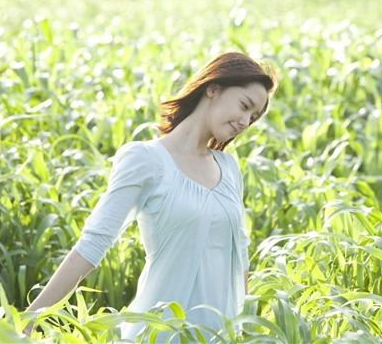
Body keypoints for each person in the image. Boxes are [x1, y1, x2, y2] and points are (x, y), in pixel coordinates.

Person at [23, 52, 277, 341]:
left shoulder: (229, 168)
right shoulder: (145, 160)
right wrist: (30, 319)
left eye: (253, 117)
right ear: (213, 88)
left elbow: (239, 255)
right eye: (245, 106)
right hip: (158, 333)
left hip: (218, 336)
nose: (245, 121)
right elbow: (93, 243)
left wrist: (242, 333)